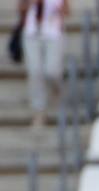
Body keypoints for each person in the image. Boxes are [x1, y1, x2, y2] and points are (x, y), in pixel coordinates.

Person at [19, 0, 64, 129]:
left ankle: (56, 86)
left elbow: (66, 11)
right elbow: (21, 9)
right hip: (32, 33)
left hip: (52, 32)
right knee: (35, 71)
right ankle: (39, 112)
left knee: (52, 71)